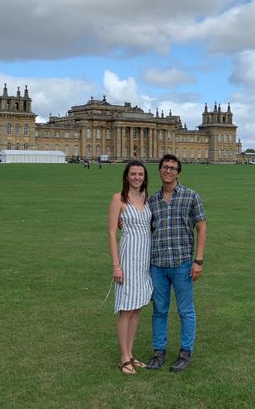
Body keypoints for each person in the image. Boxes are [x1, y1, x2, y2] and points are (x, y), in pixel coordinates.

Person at [144, 153, 207, 373]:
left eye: (172, 168)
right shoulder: (151, 200)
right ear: (160, 171)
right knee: (159, 310)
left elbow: (202, 227)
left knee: (186, 311)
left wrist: (198, 260)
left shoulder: (191, 196)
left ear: (178, 172)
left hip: (182, 263)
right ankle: (158, 352)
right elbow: (143, 228)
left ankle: (185, 353)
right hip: (158, 265)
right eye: (165, 167)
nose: (168, 171)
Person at [107, 160, 153, 375]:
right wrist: (116, 265)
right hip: (127, 259)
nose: (137, 177)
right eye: (133, 174)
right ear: (126, 176)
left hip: (144, 260)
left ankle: (131, 353)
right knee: (126, 309)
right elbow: (111, 233)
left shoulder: (147, 199)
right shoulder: (119, 199)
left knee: (137, 308)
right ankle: (124, 357)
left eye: (140, 174)